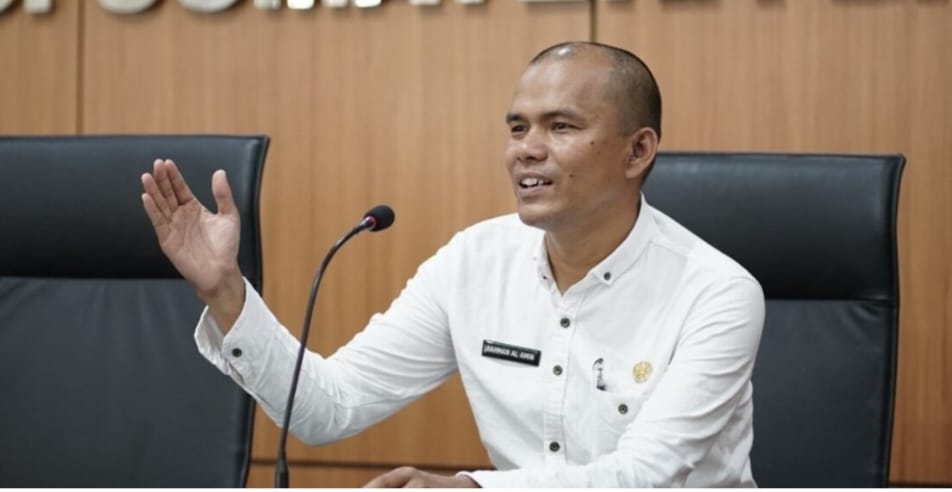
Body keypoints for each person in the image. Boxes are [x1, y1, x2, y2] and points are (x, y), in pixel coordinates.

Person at [141, 41, 764, 487]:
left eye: (561, 126)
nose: (527, 150)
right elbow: (329, 406)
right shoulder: (473, 262)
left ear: (638, 151)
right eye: (517, 128)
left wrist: (471, 487)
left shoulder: (716, 293)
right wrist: (226, 292)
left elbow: (645, 475)